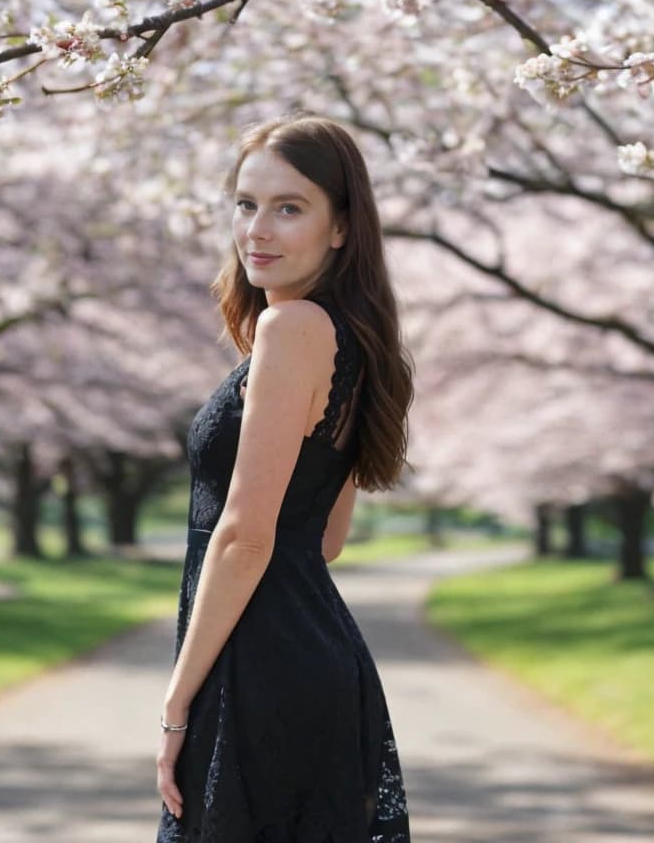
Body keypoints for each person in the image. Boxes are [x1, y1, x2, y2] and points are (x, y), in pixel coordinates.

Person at [155, 114, 415, 842]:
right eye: (246, 204)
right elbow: (325, 540)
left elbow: (243, 536)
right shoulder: (355, 342)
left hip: (259, 670)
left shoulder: (292, 329)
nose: (257, 230)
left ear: (340, 228)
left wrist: (177, 706)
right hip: (317, 663)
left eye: (289, 208)